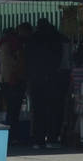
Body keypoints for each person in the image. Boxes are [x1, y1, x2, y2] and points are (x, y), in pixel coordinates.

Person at [24, 18, 65, 149]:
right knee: (53, 110)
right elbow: (60, 57)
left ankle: (38, 140)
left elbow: (27, 60)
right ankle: (52, 138)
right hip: (53, 79)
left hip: (36, 80)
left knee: (38, 111)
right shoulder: (56, 38)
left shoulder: (33, 40)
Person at [0, 25, 27, 136]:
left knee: (9, 109)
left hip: (4, 80)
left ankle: (8, 135)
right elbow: (19, 61)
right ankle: (13, 134)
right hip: (14, 80)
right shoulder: (15, 43)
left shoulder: (1, 45)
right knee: (14, 110)